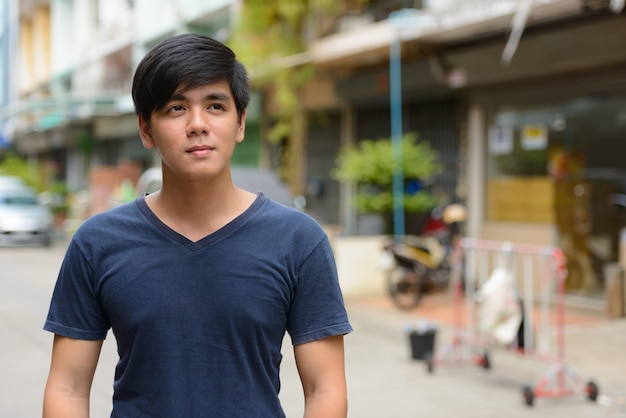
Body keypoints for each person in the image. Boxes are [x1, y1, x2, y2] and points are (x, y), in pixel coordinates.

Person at [43, 33, 352, 417]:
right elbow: (67, 388)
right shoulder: (97, 243)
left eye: (216, 106)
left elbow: (325, 390)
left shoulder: (298, 241)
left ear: (240, 123)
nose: (198, 124)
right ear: (145, 129)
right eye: (176, 108)